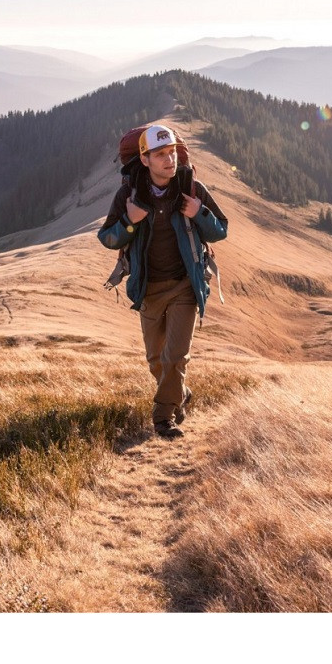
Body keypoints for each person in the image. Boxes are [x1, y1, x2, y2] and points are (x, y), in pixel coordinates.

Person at [98, 124, 229, 440]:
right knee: (156, 361)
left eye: (172, 152)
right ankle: (179, 394)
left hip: (185, 285)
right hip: (149, 289)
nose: (169, 160)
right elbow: (108, 238)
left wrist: (199, 213)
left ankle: (162, 418)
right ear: (145, 160)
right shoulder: (130, 195)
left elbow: (220, 230)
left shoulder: (191, 188)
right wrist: (130, 222)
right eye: (160, 155)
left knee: (175, 357)